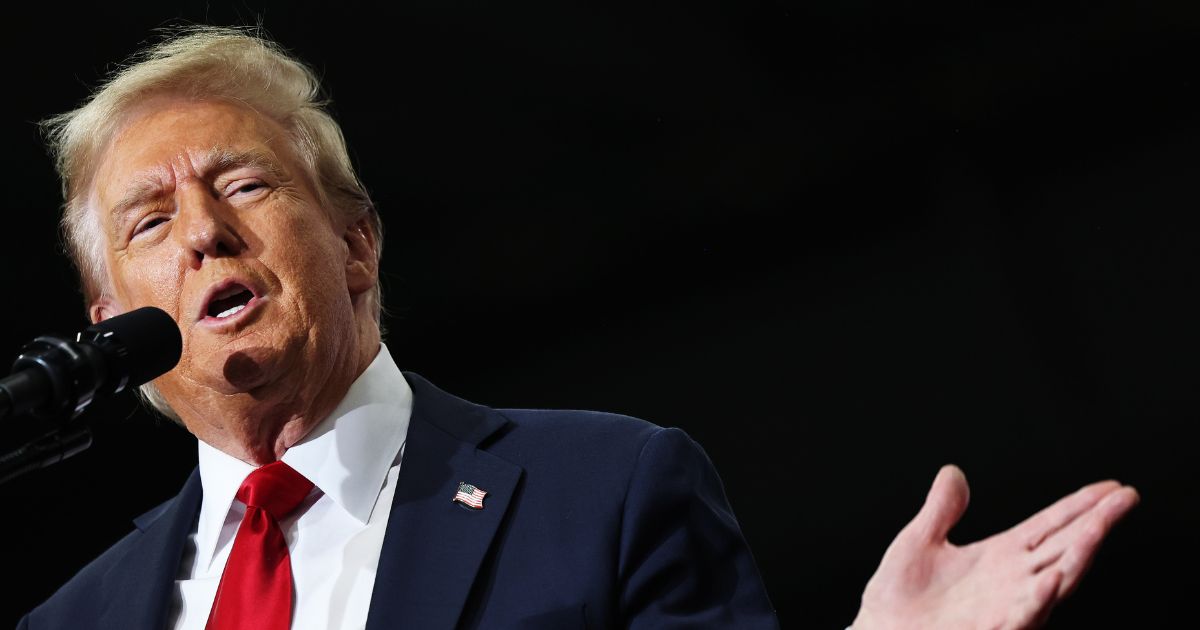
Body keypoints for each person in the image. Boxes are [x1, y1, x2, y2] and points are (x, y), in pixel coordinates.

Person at [20, 26, 1137, 630]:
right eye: (150, 220)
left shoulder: (603, 492)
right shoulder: (73, 622)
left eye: (245, 186)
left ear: (357, 244)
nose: (204, 234)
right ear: (113, 321)